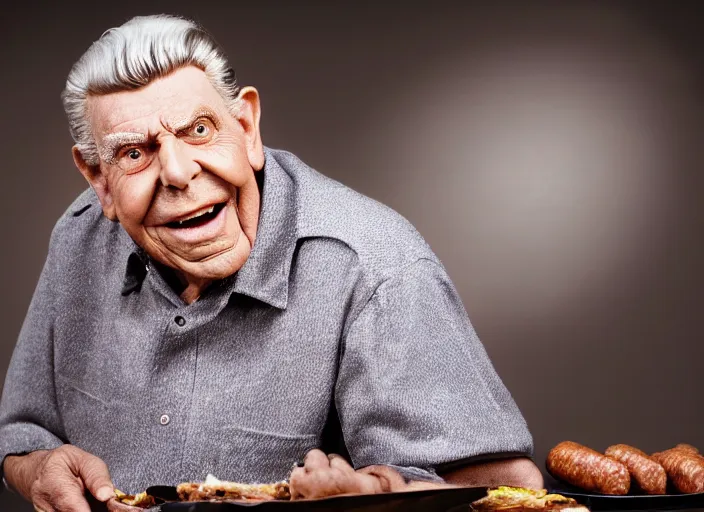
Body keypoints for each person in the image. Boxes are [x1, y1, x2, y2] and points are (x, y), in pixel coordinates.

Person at [0, 14, 543, 512]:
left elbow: (508, 490)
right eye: (134, 153)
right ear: (98, 180)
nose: (178, 173)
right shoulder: (79, 238)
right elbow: (21, 434)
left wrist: (372, 498)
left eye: (199, 130)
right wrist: (38, 469)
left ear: (248, 127)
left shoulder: (376, 268)